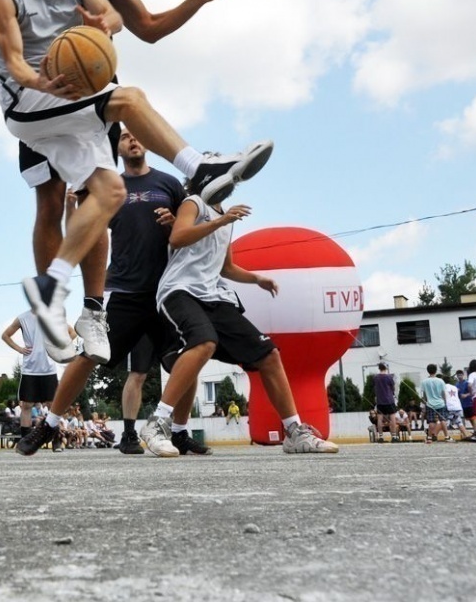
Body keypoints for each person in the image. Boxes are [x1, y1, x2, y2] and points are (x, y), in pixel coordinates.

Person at [8, 0, 243, 364]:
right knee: (49, 198)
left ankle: (91, 311)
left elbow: (149, 29)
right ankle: (56, 309)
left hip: (91, 89)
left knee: (98, 195)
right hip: (42, 87)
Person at [0, 0, 272, 358]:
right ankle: (199, 168)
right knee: (129, 99)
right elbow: (14, 61)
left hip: (76, 101)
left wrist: (106, 21)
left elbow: (116, 14)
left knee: (111, 193)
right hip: (30, 101)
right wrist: (41, 81)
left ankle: (51, 287)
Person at [16, 131, 207, 457]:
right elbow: (84, 231)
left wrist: (172, 223)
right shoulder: (110, 185)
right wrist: (70, 208)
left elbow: (184, 233)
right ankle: (48, 423)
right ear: (115, 147)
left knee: (186, 361)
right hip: (124, 289)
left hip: (166, 288)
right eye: (126, 138)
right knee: (89, 354)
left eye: (137, 136)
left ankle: (179, 431)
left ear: (145, 144)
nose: (133, 141)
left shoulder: (169, 184)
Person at [139, 191, 339, 458]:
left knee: (269, 355)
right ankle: (157, 423)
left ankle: (294, 432)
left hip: (214, 296)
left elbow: (227, 268)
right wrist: (219, 222)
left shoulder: (226, 219)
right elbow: (177, 237)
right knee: (203, 342)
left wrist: (257, 279)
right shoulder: (193, 202)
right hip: (180, 291)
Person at [1, 309, 62, 439]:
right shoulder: (22, 318)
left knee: (52, 405)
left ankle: (56, 440)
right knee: (27, 405)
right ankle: (26, 440)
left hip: (49, 368)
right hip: (30, 369)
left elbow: (71, 332)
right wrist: (19, 349)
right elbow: (5, 335)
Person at [420, 365, 450, 443]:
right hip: (441, 403)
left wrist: (425, 401)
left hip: (430, 404)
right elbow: (443, 393)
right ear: (436, 371)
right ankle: (447, 436)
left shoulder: (424, 381)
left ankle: (429, 438)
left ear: (428, 371)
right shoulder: (441, 381)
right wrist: (445, 402)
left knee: (431, 421)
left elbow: (423, 395)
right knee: (443, 419)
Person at [372, 362, 398, 443]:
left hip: (380, 400)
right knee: (392, 418)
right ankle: (393, 436)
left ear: (379, 368)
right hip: (389, 400)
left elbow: (374, 387)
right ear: (385, 368)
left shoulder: (376, 378)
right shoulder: (389, 377)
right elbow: (392, 387)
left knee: (379, 419)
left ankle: (381, 437)